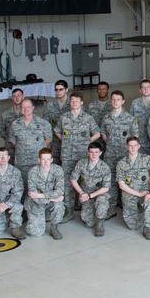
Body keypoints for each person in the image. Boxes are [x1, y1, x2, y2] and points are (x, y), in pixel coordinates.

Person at [57, 91, 101, 222]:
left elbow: (97, 133)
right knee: (67, 183)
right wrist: (66, 141)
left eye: (77, 101)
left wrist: (87, 142)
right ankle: (68, 210)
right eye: (72, 101)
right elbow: (57, 132)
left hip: (83, 156)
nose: (74, 103)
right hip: (67, 156)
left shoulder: (88, 118)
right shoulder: (64, 117)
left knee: (84, 182)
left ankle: (84, 207)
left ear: (82, 103)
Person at [117, 136, 150, 240]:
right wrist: (138, 194)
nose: (133, 148)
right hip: (129, 194)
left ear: (139, 146)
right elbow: (121, 184)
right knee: (133, 226)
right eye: (130, 146)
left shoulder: (146, 159)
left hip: (144, 192)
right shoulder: (121, 163)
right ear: (126, 147)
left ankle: (147, 227)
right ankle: (141, 215)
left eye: (135, 145)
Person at [101, 90, 139, 209]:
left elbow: (135, 136)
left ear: (123, 101)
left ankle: (126, 203)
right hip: (111, 153)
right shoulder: (106, 118)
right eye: (113, 99)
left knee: (127, 178)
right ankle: (112, 204)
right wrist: (112, 143)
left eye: (118, 99)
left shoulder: (130, 118)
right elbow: (103, 134)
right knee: (111, 178)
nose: (115, 102)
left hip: (125, 154)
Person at [70, 142, 112, 237]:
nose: (94, 155)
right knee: (89, 223)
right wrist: (81, 193)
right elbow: (73, 179)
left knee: (101, 202)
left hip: (100, 194)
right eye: (91, 152)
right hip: (85, 194)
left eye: (96, 152)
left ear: (100, 153)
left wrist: (90, 196)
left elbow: (106, 187)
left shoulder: (105, 167)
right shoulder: (82, 163)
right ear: (88, 152)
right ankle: (92, 215)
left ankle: (100, 223)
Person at [9, 98, 52, 190]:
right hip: (21, 162)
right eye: (23, 107)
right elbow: (13, 141)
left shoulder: (43, 123)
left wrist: (38, 147)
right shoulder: (15, 124)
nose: (26, 109)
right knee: (21, 186)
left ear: (33, 108)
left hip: (38, 161)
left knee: (39, 185)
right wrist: (23, 147)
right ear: (20, 109)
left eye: (28, 107)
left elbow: (48, 138)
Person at [25, 148, 66, 239]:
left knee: (59, 205)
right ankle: (39, 218)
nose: (46, 162)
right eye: (43, 159)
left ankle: (54, 228)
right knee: (36, 233)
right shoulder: (33, 172)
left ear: (51, 160)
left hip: (45, 200)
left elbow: (59, 191)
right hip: (36, 203)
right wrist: (54, 197)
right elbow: (32, 195)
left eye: (48, 159)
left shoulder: (58, 170)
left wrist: (40, 195)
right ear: (39, 160)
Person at [41, 80, 70, 164]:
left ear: (66, 89)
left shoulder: (73, 104)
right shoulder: (50, 105)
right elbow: (45, 124)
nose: (58, 92)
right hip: (55, 143)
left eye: (61, 89)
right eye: (56, 90)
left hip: (70, 143)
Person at [130, 79, 150, 155]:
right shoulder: (135, 103)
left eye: (148, 87)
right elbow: (131, 122)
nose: (146, 89)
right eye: (143, 87)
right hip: (140, 142)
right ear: (140, 90)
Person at [0, 88, 24, 160]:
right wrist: (9, 139)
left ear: (23, 97)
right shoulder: (5, 114)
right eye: (14, 96)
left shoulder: (29, 113)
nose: (17, 98)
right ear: (12, 98)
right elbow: (1, 130)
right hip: (10, 148)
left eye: (19, 95)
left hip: (25, 148)